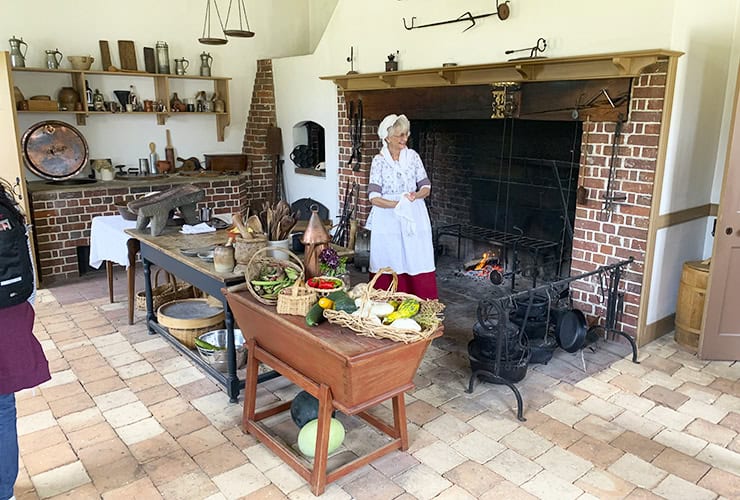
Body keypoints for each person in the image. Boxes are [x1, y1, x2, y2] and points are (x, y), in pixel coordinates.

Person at [0, 185, 50, 500]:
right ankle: (5, 492)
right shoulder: (5, 208)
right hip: (11, 313)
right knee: (4, 407)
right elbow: (27, 273)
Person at [366, 114, 438, 299]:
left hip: (413, 214)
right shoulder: (379, 161)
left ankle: (421, 299)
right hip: (388, 218)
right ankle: (387, 300)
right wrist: (397, 204)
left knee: (416, 255)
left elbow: (426, 187)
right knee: (391, 255)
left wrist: (414, 196)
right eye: (400, 135)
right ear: (387, 137)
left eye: (406, 134)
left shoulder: (413, 157)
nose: (405, 139)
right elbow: (374, 197)